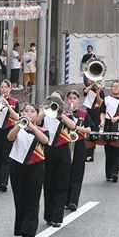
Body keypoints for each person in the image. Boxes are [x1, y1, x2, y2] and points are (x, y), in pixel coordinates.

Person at [7, 103, 49, 237]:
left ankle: (29, 233)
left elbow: (45, 141)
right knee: (20, 199)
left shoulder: (42, 130)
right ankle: (21, 230)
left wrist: (32, 127)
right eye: (26, 111)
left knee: (33, 199)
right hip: (18, 166)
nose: (29, 113)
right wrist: (20, 124)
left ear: (37, 114)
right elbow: (9, 138)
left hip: (36, 166)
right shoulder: (18, 128)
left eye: (32, 111)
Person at [37, 91, 76, 227]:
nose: (54, 102)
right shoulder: (44, 116)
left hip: (62, 151)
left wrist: (61, 114)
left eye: (57, 99)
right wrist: (45, 110)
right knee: (48, 184)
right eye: (51, 99)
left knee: (61, 184)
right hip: (47, 150)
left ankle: (57, 217)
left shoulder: (66, 115)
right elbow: (35, 121)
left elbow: (73, 126)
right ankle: (48, 215)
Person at [0, 80, 20, 192]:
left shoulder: (14, 102)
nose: (4, 89)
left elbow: (17, 118)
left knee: (6, 157)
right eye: (2, 87)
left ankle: (4, 182)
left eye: (6, 87)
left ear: (10, 89)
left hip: (9, 131)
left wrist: (8, 105)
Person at [65, 90, 93, 212]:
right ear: (67, 101)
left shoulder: (83, 114)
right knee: (66, 173)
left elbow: (89, 130)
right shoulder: (63, 114)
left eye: (74, 98)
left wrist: (76, 127)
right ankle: (65, 199)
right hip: (65, 144)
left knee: (77, 172)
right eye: (70, 98)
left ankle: (73, 201)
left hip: (79, 144)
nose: (72, 100)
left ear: (78, 100)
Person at [100, 80, 119, 183]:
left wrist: (117, 117)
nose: (116, 88)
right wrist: (102, 121)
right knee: (109, 151)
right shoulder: (106, 99)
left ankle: (115, 173)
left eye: (118, 86)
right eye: (114, 86)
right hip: (108, 127)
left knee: (118, 150)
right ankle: (108, 174)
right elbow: (102, 113)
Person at [82, 75, 104, 162]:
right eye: (89, 80)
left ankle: (92, 149)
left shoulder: (100, 90)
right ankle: (88, 151)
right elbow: (85, 92)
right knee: (88, 131)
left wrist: (98, 92)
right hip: (89, 112)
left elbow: (100, 102)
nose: (90, 81)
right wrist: (92, 85)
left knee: (94, 131)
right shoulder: (88, 89)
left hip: (97, 112)